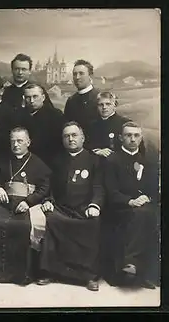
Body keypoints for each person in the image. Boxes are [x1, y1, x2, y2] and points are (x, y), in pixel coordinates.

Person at [37, 121, 104, 291]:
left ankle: (89, 276)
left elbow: (99, 186)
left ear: (83, 138)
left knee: (93, 223)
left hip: (84, 208)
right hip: (61, 207)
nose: (70, 139)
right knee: (51, 219)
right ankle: (50, 272)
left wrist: (95, 205)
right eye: (66, 136)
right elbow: (48, 186)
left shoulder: (94, 160)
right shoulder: (56, 160)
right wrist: (47, 201)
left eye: (74, 135)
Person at [0, 127, 51, 285]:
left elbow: (44, 188)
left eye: (20, 141)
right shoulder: (3, 159)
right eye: (13, 141)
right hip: (6, 203)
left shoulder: (37, 163)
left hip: (27, 205)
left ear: (28, 142)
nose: (16, 144)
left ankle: (22, 275)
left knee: (23, 226)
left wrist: (29, 201)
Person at [103, 121, 159, 289]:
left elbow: (153, 189)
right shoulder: (112, 160)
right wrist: (131, 201)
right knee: (140, 215)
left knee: (151, 215)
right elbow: (111, 191)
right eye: (128, 135)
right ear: (121, 138)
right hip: (119, 206)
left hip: (143, 205)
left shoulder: (148, 160)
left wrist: (147, 198)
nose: (132, 139)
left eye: (136, 136)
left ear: (141, 138)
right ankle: (130, 266)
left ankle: (145, 272)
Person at [9, 84, 65, 167]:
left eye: (35, 97)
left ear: (43, 97)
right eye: (28, 97)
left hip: (48, 162)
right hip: (23, 162)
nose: (31, 100)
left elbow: (59, 144)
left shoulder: (55, 115)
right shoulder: (18, 116)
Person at [85, 91, 145, 157]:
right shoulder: (91, 125)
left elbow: (139, 149)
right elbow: (86, 147)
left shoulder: (126, 123)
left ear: (115, 105)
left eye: (108, 104)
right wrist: (97, 151)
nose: (104, 107)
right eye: (101, 104)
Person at [63, 59, 100, 133]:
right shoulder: (71, 101)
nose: (77, 77)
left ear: (90, 76)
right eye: (74, 74)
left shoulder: (99, 98)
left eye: (81, 73)